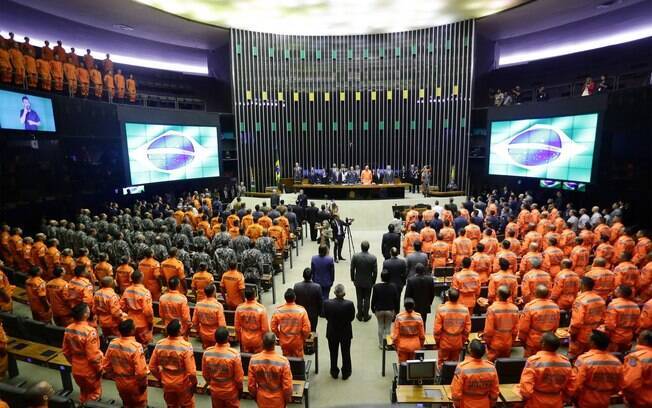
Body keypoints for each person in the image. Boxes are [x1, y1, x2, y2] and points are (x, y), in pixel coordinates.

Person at [149, 319, 197, 408]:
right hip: (182, 383)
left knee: (171, 405)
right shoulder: (186, 347)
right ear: (179, 330)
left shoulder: (159, 344)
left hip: (166, 382)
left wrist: (160, 378)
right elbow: (191, 372)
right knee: (187, 405)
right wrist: (194, 384)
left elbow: (151, 367)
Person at [519, 332, 575, 407]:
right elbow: (571, 385)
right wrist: (564, 398)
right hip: (557, 402)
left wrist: (524, 400)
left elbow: (526, 387)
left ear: (543, 344)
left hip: (536, 402)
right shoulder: (566, 362)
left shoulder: (533, 361)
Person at [101, 319, 148, 408]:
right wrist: (143, 385)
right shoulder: (136, 347)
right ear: (132, 330)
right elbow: (141, 372)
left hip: (120, 382)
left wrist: (115, 376)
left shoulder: (113, 344)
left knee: (126, 404)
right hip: (134, 385)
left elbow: (106, 365)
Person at [62, 303, 103, 403]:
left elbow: (66, 351)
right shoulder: (89, 332)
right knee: (94, 395)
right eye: (88, 310)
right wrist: (100, 369)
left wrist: (74, 363)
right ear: (85, 315)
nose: (90, 311)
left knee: (83, 392)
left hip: (76, 368)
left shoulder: (68, 329)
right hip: (89, 369)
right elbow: (93, 357)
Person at [573, 329, 623, 408]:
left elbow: (577, 384)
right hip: (605, 401)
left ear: (593, 343)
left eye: (589, 338)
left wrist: (574, 398)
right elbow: (619, 385)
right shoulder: (617, 362)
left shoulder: (583, 360)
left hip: (585, 400)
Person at [248, 332, 293, 408]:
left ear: (262, 342)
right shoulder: (283, 361)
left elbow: (251, 385)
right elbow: (287, 387)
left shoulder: (254, 360)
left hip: (262, 398)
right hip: (278, 400)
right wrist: (287, 399)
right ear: (275, 343)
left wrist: (256, 397)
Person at [202, 327, 244, 408]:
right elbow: (239, 378)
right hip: (230, 391)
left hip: (215, 391)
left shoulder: (207, 353)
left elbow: (205, 375)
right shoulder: (234, 354)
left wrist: (212, 383)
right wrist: (240, 390)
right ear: (228, 338)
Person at [451, 339, 499, 407]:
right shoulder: (491, 368)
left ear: (470, 351)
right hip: (485, 404)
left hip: (466, 405)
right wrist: (490, 404)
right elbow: (495, 392)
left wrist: (457, 405)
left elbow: (456, 393)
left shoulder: (462, 368)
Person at [323, 283, 356, 379]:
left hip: (332, 332)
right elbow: (351, 318)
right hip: (345, 332)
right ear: (344, 293)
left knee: (333, 353)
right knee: (346, 352)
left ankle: (334, 371)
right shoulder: (349, 304)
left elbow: (326, 316)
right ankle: (346, 372)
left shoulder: (327, 303)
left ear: (334, 293)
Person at [569, 277, 606, 359]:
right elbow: (604, 318)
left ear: (582, 286)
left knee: (577, 357)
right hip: (596, 333)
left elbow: (577, 321)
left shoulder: (580, 300)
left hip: (582, 334)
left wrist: (573, 334)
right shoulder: (600, 299)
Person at [518, 284, 560, 357]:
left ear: (535, 293)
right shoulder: (555, 306)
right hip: (548, 341)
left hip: (533, 341)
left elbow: (523, 328)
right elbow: (556, 325)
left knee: (531, 362)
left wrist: (522, 340)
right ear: (548, 294)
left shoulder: (530, 307)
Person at [434, 288, 471, 369]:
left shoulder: (441, 309)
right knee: (454, 363)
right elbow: (467, 330)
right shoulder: (465, 310)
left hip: (444, 342)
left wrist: (438, 342)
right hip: (458, 342)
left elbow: (437, 330)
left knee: (442, 364)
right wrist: (462, 341)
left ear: (448, 297)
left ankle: (443, 380)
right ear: (458, 297)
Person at [271, 289, 311, 357]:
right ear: (295, 297)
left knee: (287, 361)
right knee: (298, 362)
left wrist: (279, 336)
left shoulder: (278, 311)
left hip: (284, 342)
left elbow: (273, 327)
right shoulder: (301, 311)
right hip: (297, 342)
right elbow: (306, 329)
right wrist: (303, 338)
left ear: (285, 298)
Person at [484, 285, 519, 361]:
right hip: (508, 342)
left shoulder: (492, 309)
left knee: (493, 366)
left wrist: (487, 342)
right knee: (504, 366)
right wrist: (511, 341)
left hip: (494, 343)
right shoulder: (515, 309)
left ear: (498, 294)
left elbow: (488, 330)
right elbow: (515, 329)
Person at [119, 270, 154, 345]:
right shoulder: (145, 292)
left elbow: (121, 305)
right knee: (144, 344)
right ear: (141, 278)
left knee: (133, 343)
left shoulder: (127, 290)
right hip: (142, 322)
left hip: (130, 320)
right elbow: (148, 311)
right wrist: (151, 323)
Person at [605, 284, 640, 352]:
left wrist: (606, 335)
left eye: (616, 289)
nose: (614, 290)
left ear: (620, 292)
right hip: (628, 336)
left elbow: (610, 324)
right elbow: (637, 324)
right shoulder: (635, 306)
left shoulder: (614, 304)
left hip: (615, 336)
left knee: (613, 356)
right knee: (623, 355)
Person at [622, 330, 652, 408]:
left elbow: (631, 383)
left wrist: (629, 399)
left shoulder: (634, 358)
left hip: (642, 401)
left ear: (644, 341)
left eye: (639, 337)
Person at [234, 286, 269, 353]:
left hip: (245, 339)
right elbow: (265, 329)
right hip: (258, 340)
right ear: (254, 295)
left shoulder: (239, 308)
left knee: (247, 360)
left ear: (245, 296)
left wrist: (240, 339)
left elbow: (237, 328)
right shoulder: (261, 309)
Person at [350, 241, 377, 322]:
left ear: (361, 247)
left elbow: (352, 269)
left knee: (359, 298)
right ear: (368, 247)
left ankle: (359, 314)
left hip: (358, 280)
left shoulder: (355, 256)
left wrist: (353, 278)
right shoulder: (373, 258)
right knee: (367, 298)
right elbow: (375, 272)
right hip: (368, 281)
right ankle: (366, 315)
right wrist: (373, 281)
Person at [192, 284, 226, 349]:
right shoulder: (218, 306)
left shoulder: (198, 305)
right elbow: (222, 325)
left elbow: (194, 322)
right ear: (214, 293)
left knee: (206, 350)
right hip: (215, 335)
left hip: (203, 334)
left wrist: (199, 331)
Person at [392, 297, 425, 362]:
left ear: (404, 306)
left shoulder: (399, 317)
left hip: (402, 345)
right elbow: (422, 335)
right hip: (415, 345)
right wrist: (420, 345)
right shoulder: (418, 317)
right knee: (412, 367)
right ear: (414, 306)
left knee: (403, 366)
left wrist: (396, 346)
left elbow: (395, 335)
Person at [371, 269, 399, 348]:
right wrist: (396, 310)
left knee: (380, 326)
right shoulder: (393, 286)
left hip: (379, 310)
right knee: (387, 327)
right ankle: (387, 344)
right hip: (389, 310)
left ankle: (380, 344)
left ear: (381, 277)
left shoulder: (376, 287)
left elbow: (374, 299)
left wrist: (373, 309)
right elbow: (396, 300)